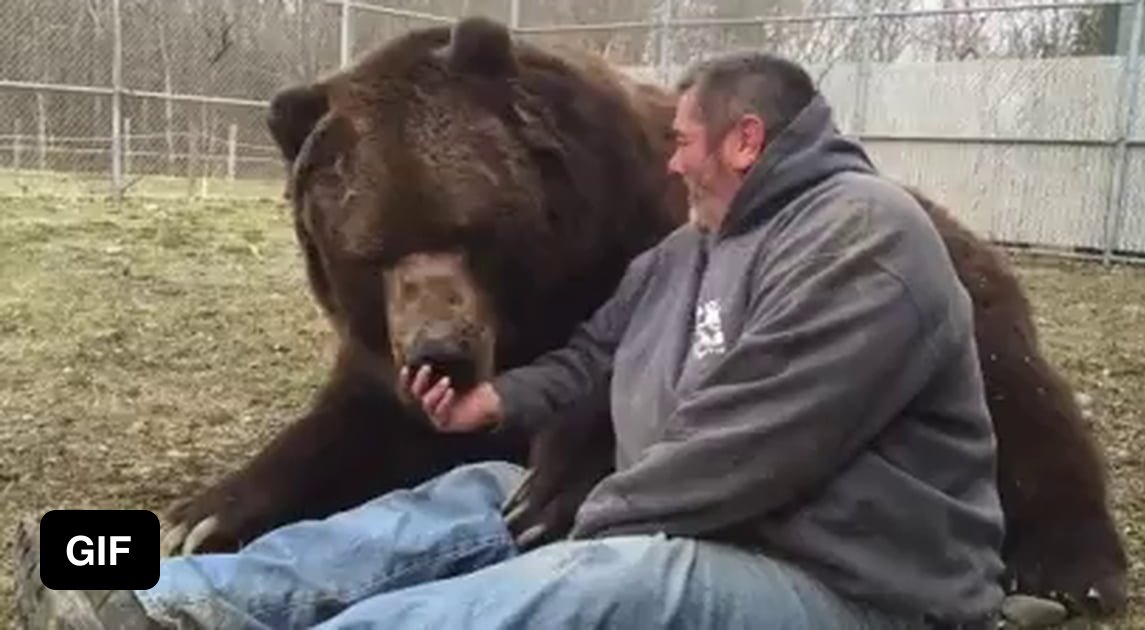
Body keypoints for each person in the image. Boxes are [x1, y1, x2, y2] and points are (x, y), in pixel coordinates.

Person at [15, 52, 1006, 629]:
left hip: (849, 588)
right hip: (706, 523)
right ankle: (138, 583)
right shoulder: (697, 246)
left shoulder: (862, 243)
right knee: (473, 497)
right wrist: (499, 407)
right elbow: (593, 356)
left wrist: (597, 507)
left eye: (689, 140)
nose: (671, 153)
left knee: (595, 574)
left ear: (749, 142)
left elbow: (750, 454)